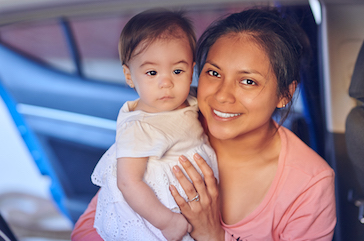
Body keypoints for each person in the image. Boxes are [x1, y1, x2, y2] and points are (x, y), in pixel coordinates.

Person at [72, 7, 336, 241]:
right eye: (213, 73)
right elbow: (94, 224)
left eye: (248, 81)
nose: (222, 95)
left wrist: (213, 236)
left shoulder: (310, 185)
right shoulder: (173, 119)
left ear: (284, 94)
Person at [88, 9, 219, 241]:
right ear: (129, 76)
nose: (166, 82)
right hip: (159, 213)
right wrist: (167, 221)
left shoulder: (190, 100)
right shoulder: (139, 126)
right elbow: (128, 182)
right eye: (151, 72)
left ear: (192, 71)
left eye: (178, 70)